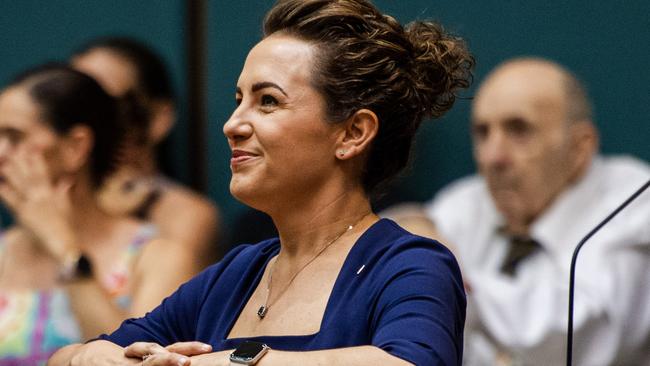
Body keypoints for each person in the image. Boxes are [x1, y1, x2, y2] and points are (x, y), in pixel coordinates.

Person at [49, 0, 474, 365]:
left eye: (267, 101)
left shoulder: (408, 264)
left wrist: (241, 359)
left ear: (352, 133)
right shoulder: (237, 273)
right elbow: (68, 356)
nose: (232, 125)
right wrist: (94, 355)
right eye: (239, 101)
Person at [386, 58, 650, 365]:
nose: (492, 156)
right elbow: (399, 227)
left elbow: (572, 336)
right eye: (483, 133)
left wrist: (438, 276)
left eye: (518, 129)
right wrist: (416, 226)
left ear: (580, 147)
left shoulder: (633, 200)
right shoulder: (475, 198)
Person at [0, 64, 201, 364]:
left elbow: (134, 360)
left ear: (76, 147)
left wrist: (65, 247)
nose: (1, 152)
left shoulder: (157, 258)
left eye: (14, 137)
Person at [71, 37, 220, 266]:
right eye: (73, 104)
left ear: (159, 118)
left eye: (105, 104)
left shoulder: (186, 217)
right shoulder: (53, 209)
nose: (87, 121)